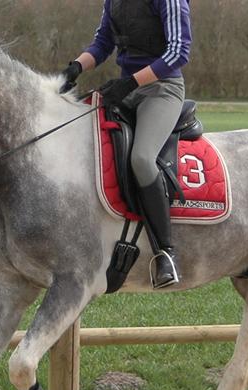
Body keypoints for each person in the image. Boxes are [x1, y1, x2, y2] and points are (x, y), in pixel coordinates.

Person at [61, 0, 191, 289]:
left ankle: (165, 253)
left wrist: (131, 82)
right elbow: (102, 43)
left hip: (162, 89)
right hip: (126, 89)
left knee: (141, 159)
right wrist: (75, 67)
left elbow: (178, 52)